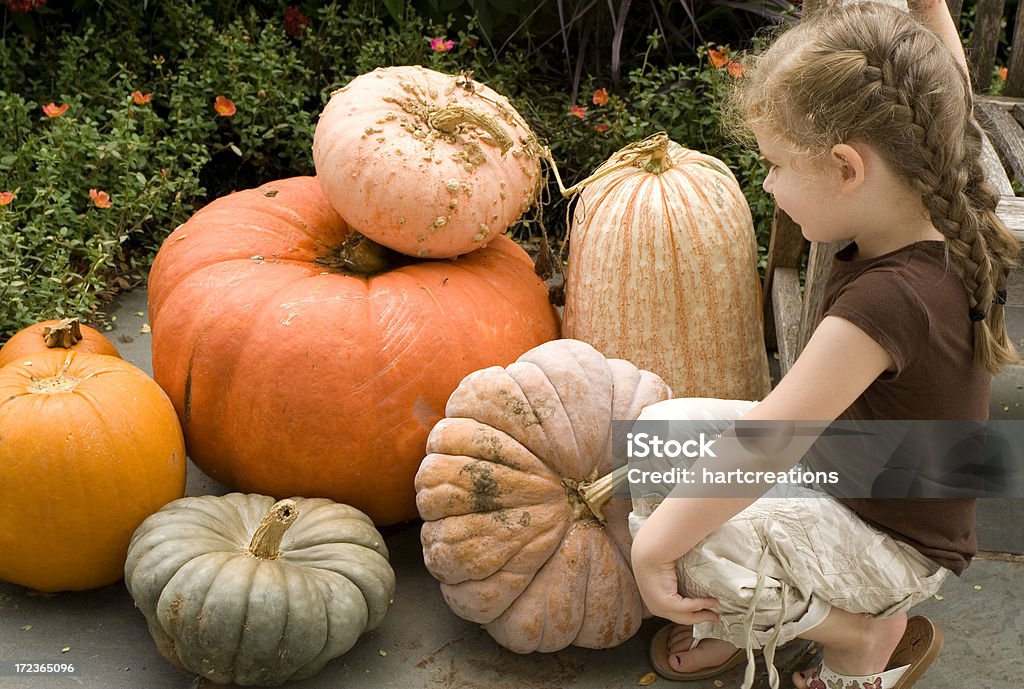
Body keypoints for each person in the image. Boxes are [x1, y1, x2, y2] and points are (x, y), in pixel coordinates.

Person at [629, 1, 1020, 688]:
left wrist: (656, 550)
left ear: (847, 168)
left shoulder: (887, 300)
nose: (769, 184)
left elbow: (768, 440)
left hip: (890, 542)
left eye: (776, 165)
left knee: (679, 541)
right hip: (856, 472)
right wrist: (928, 8)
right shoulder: (943, 191)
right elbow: (947, 94)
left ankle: (856, 636)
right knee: (653, 441)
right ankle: (763, 612)